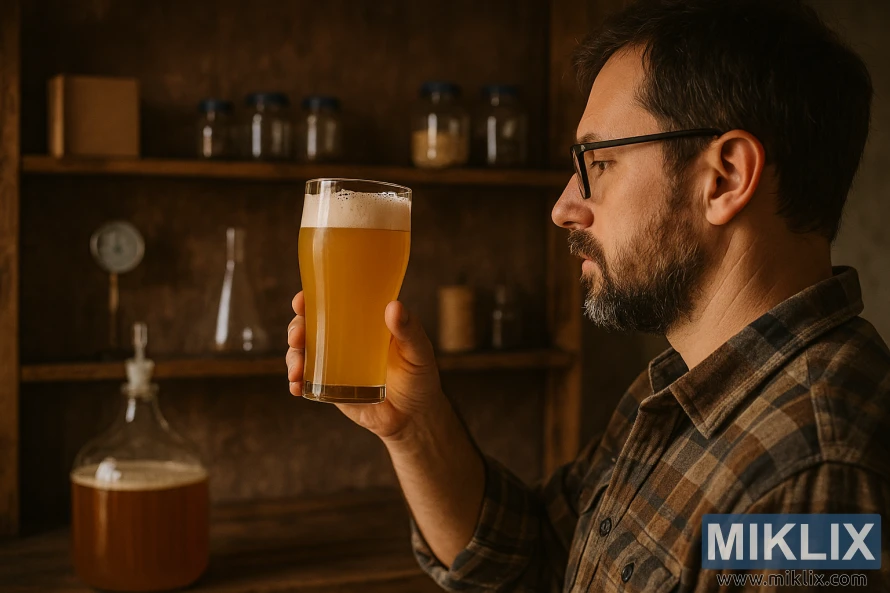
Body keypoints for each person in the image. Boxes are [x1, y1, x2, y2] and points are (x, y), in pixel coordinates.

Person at [287, 0, 890, 590]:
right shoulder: (679, 385)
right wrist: (413, 427)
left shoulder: (813, 483)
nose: (563, 208)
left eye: (598, 161)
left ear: (724, 177)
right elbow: (533, 561)